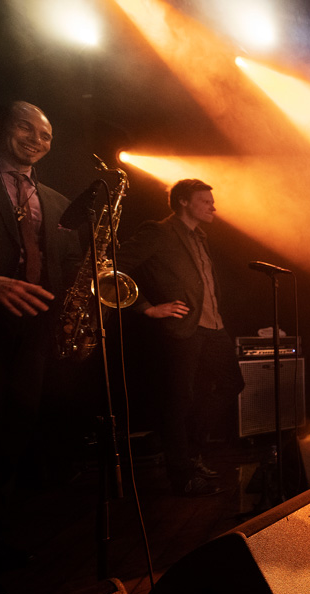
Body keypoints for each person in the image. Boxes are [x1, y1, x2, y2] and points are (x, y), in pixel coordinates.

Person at [0, 101, 81, 594]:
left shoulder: (58, 202)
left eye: (46, 134)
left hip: (34, 336)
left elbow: (67, 267)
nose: (37, 139)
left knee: (12, 439)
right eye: (26, 126)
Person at [119, 179, 244, 497]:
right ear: (184, 202)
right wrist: (147, 307)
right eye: (205, 201)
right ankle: (182, 475)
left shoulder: (200, 238)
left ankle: (191, 452)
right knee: (179, 400)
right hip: (183, 328)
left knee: (230, 385)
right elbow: (115, 268)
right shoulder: (159, 231)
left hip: (213, 327)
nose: (213, 207)